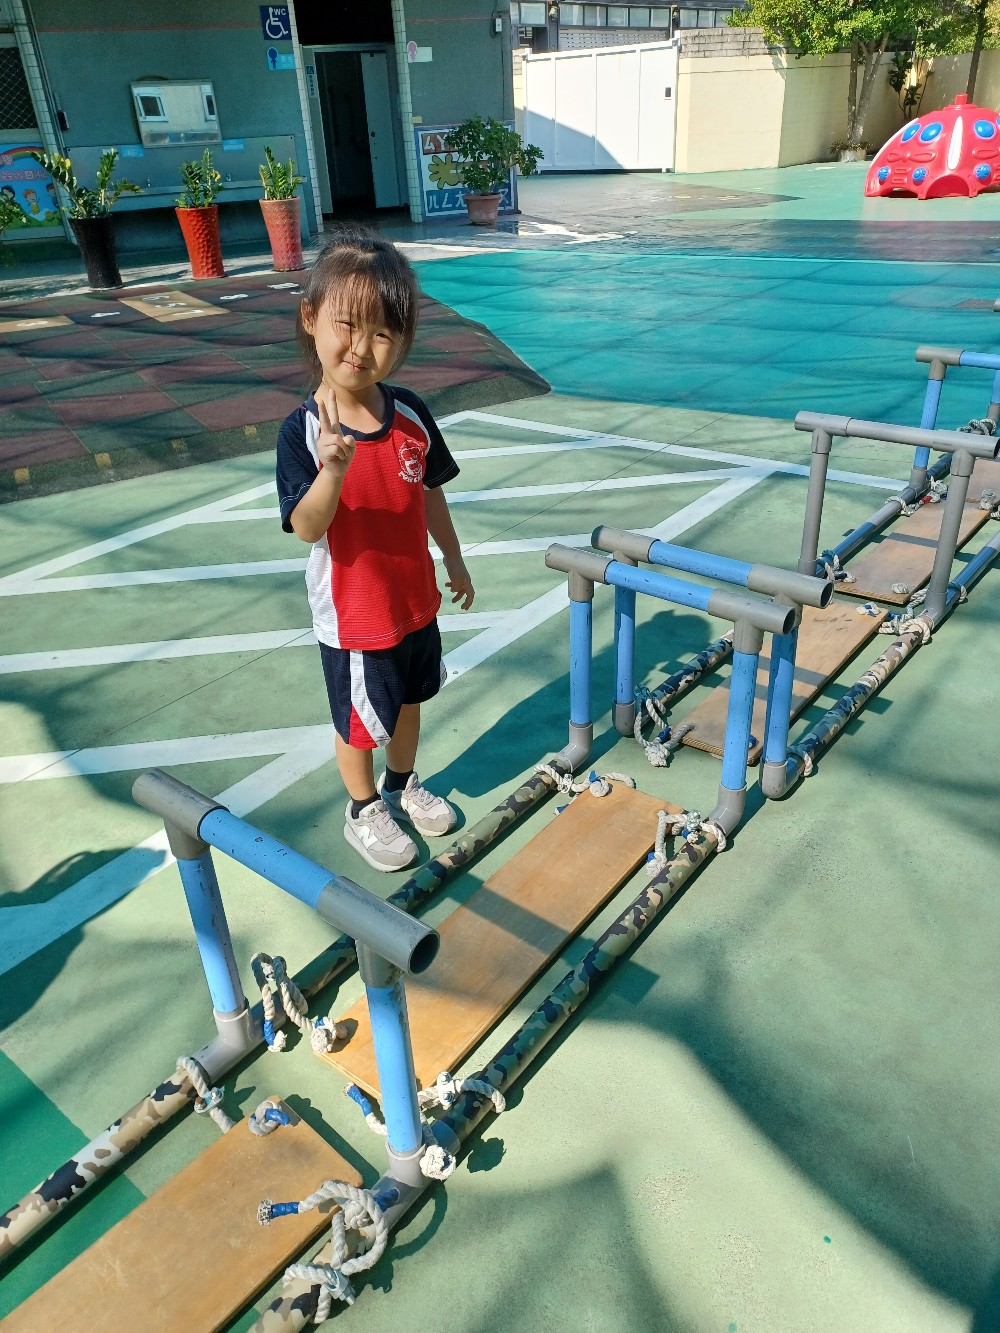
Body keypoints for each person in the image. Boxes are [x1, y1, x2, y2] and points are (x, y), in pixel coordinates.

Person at [276, 230, 475, 872]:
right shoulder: (304, 431)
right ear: (311, 319)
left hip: (414, 599)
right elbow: (307, 527)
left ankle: (401, 785)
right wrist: (332, 469)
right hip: (356, 615)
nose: (361, 348)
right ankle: (362, 808)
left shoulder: (410, 413)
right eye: (347, 325)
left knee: (410, 703)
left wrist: (453, 559)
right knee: (360, 723)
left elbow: (430, 493)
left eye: (383, 332)